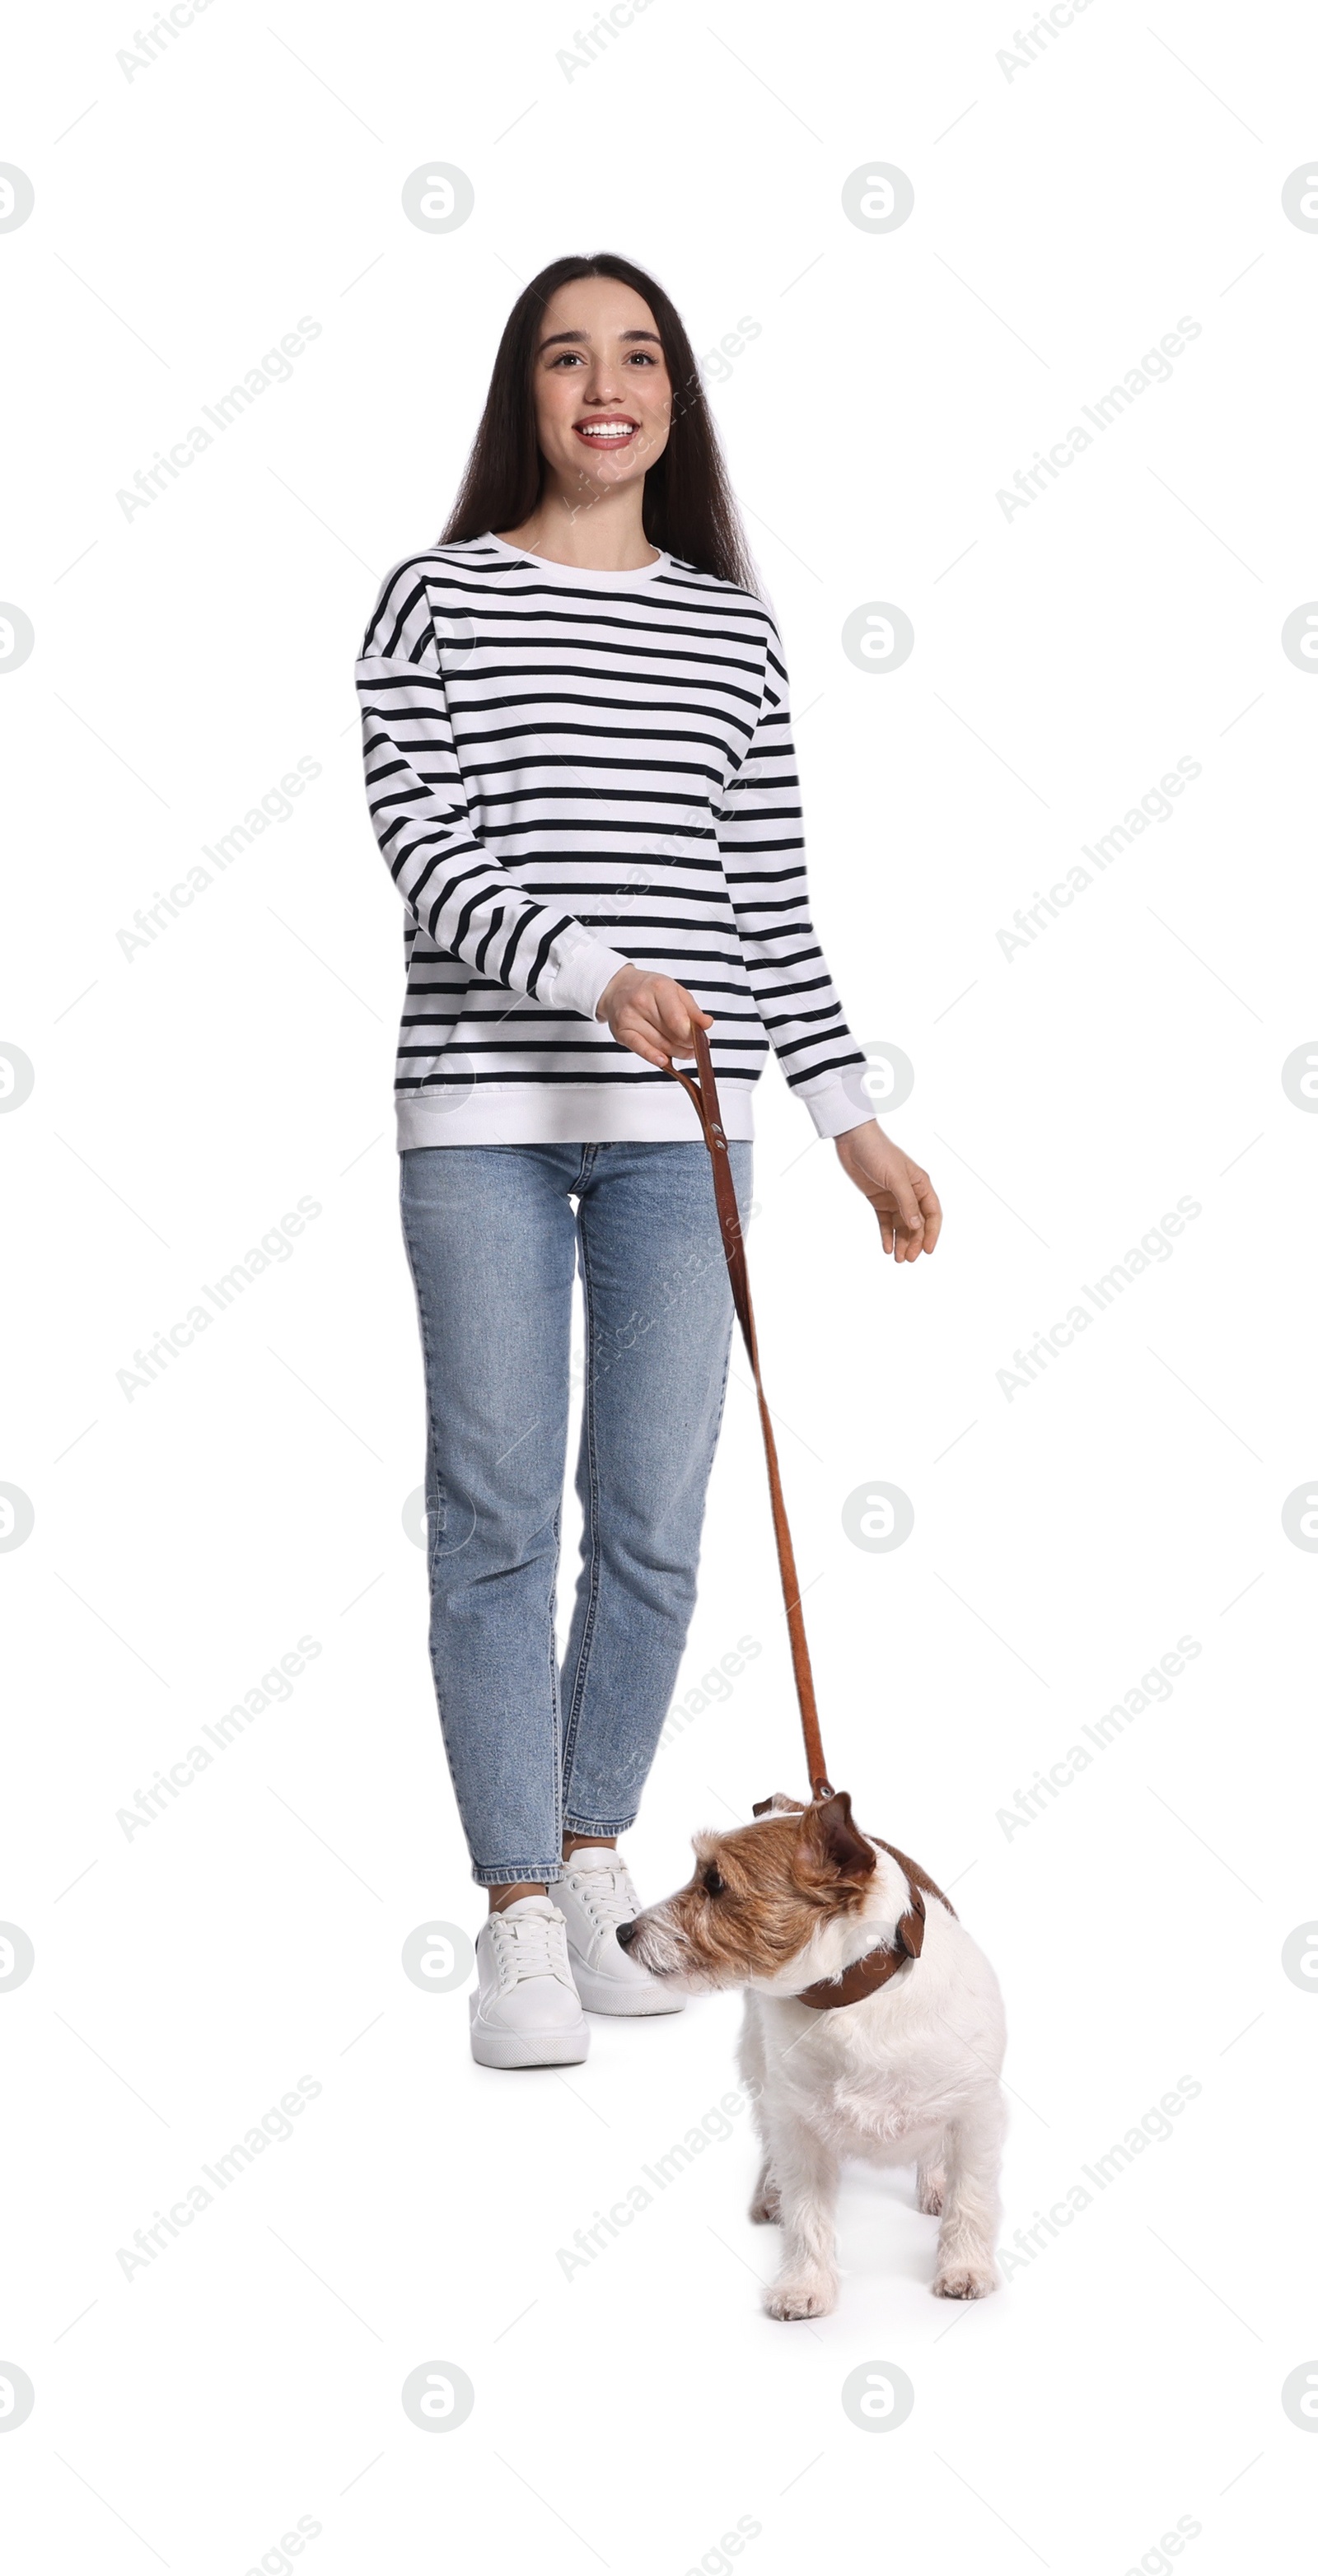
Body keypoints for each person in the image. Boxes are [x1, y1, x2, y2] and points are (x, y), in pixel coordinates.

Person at [356, 251, 942, 2070]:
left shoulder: (729, 630)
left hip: (687, 1140)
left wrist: (850, 1125)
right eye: (562, 357)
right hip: (482, 1129)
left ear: (674, 396)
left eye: (635, 357)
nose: (601, 385)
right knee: (495, 1520)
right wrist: (592, 976)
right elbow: (423, 848)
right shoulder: (433, 599)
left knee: (657, 1528)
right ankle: (518, 1913)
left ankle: (599, 1859)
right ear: (521, 393)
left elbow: (769, 904)